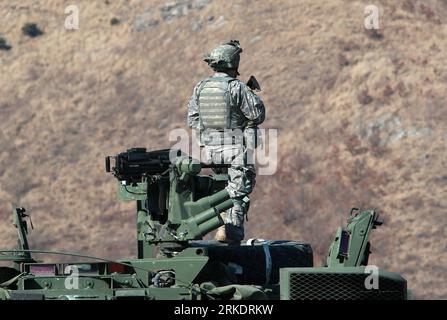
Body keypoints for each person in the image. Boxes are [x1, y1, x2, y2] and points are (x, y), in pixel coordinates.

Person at [187, 40, 266, 243]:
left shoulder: (200, 87)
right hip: (235, 149)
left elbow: (193, 119)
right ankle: (231, 234)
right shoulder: (236, 88)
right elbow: (257, 115)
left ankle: (221, 224)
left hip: (209, 151)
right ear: (234, 63)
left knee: (222, 190)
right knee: (238, 190)